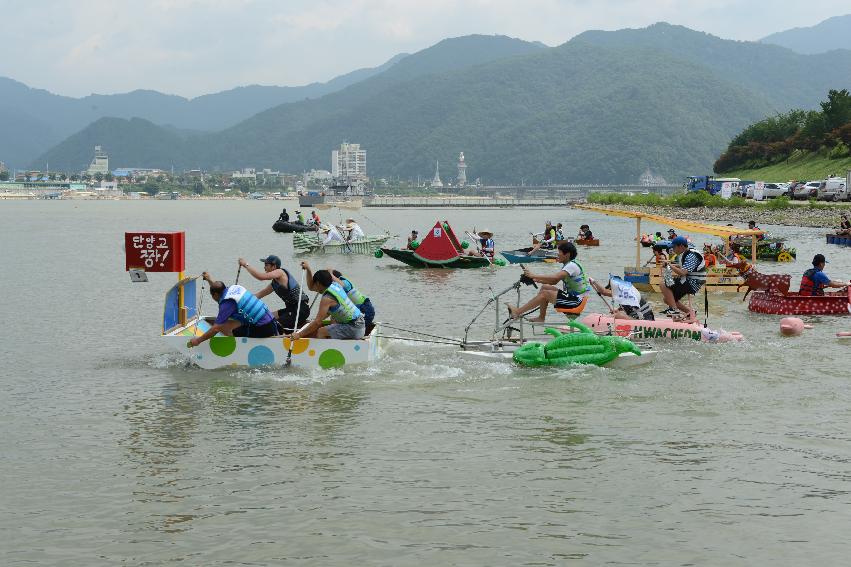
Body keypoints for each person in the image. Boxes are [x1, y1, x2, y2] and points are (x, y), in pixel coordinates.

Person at [188, 273, 278, 347]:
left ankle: (236, 350)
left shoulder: (227, 304)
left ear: (214, 295)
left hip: (264, 328)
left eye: (212, 295)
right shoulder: (233, 288)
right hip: (272, 321)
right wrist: (209, 280)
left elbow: (215, 329)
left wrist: (198, 341)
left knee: (230, 330)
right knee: (231, 323)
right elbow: (218, 289)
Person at [507, 242, 590, 322]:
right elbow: (554, 281)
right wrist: (535, 279)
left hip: (577, 302)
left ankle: (517, 312)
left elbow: (555, 277)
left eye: (559, 252)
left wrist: (533, 275)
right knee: (545, 287)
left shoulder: (571, 266)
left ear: (567, 254)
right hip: (574, 299)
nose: (557, 254)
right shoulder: (570, 265)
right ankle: (541, 318)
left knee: (545, 293)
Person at [238, 255, 309, 332]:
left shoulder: (280, 272)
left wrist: (246, 265)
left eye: (266, 265)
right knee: (268, 317)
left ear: (274, 266)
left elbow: (260, 277)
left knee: (273, 325)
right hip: (291, 309)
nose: (264, 268)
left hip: (300, 310)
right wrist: (240, 302)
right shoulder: (274, 284)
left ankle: (280, 337)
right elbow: (259, 295)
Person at [292, 265, 365, 340]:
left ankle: (324, 350)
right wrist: (308, 269)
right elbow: (311, 287)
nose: (315, 288)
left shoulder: (326, 299)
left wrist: (299, 335)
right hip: (360, 324)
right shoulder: (336, 285)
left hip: (355, 328)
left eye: (315, 285)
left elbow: (318, 322)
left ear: (318, 283)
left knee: (321, 331)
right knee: (331, 321)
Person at [659, 236, 706, 321]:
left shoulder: (691, 255)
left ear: (681, 246)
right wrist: (668, 265)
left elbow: (683, 272)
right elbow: (683, 268)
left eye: (674, 247)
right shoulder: (685, 254)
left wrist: (669, 265)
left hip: (693, 283)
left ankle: (674, 310)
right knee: (667, 299)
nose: (673, 249)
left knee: (663, 284)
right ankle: (689, 312)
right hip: (689, 281)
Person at [589, 277, 655, 320]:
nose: (611, 290)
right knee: (617, 313)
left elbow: (603, 292)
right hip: (644, 317)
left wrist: (594, 281)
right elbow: (627, 309)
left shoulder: (624, 292)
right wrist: (617, 310)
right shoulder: (626, 292)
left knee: (618, 316)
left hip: (645, 320)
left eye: (611, 288)